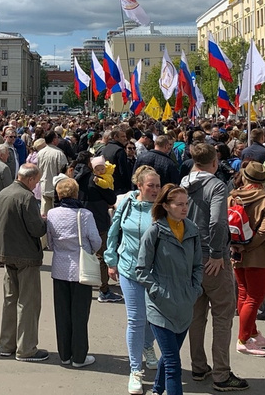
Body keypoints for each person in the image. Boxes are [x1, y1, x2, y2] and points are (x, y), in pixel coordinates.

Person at [181, 143, 248, 392]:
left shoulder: (184, 183)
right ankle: (221, 373)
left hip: (190, 255)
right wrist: (218, 253)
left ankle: (198, 365)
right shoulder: (216, 185)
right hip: (211, 257)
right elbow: (218, 222)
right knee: (222, 314)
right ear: (215, 161)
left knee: (197, 314)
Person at [134, 184, 203, 395]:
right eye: (179, 204)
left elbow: (198, 266)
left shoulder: (192, 229)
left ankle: (157, 390)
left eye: (186, 204)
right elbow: (141, 270)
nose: (184, 208)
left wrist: (194, 289)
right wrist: (157, 292)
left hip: (185, 304)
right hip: (160, 306)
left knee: (169, 355)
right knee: (174, 362)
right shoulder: (154, 232)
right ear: (165, 206)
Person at [105, 165, 161, 394]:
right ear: (139, 185)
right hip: (128, 269)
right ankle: (135, 371)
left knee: (155, 318)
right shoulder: (127, 203)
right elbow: (114, 231)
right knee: (136, 319)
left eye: (158, 185)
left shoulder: (163, 208)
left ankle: (147, 345)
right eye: (151, 186)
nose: (156, 190)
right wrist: (111, 260)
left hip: (156, 272)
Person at [0, 163, 49, 362]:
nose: (36, 185)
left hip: (6, 253)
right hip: (26, 254)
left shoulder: (4, 192)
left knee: (10, 299)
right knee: (28, 302)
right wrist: (43, 221)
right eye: (36, 181)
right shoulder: (26, 197)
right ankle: (26, 348)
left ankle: (7, 344)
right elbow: (36, 229)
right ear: (29, 179)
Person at [46, 177, 101, 368]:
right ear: (76, 193)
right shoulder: (85, 215)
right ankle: (79, 356)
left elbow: (50, 242)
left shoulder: (52, 213)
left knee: (62, 313)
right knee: (79, 314)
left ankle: (64, 355)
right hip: (81, 269)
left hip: (59, 268)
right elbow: (96, 241)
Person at [228, 161, 265, 357]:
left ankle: (253, 332)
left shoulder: (233, 197)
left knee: (243, 294)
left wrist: (238, 245)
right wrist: (249, 244)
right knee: (255, 297)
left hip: (236, 252)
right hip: (257, 254)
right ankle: (243, 338)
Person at [75, 154, 121, 303]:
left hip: (80, 218)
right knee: (101, 255)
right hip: (98, 218)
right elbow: (111, 199)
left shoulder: (76, 177)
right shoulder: (95, 180)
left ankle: (81, 282)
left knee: (82, 252)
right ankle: (104, 289)